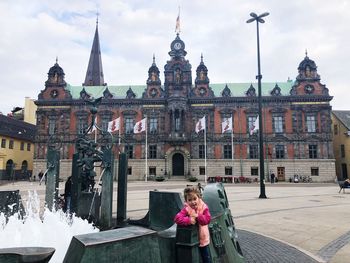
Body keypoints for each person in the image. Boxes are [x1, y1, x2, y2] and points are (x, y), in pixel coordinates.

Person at [174, 186, 211, 263]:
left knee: (206, 258)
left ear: (199, 198)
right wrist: (188, 220)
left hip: (203, 239)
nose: (193, 202)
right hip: (192, 240)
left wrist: (198, 216)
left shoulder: (204, 207)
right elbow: (177, 218)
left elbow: (207, 220)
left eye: (194, 199)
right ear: (186, 201)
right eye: (189, 200)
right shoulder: (187, 209)